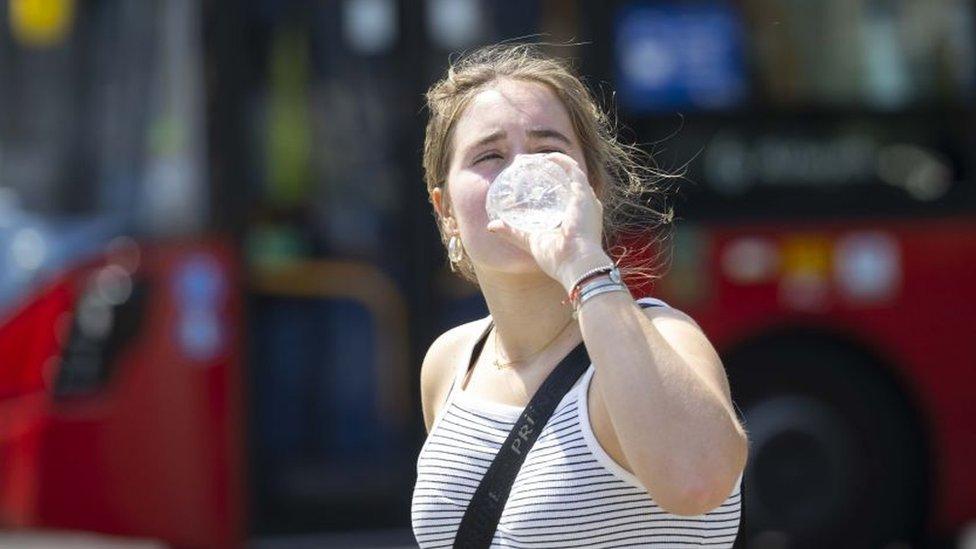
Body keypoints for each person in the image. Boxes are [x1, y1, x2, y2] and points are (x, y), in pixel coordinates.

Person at [411, 43, 748, 548]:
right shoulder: (450, 361)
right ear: (446, 211)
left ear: (591, 187)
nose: (524, 173)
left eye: (549, 149)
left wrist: (582, 264)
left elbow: (697, 482)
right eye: (489, 155)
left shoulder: (664, 338)